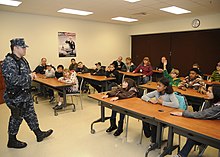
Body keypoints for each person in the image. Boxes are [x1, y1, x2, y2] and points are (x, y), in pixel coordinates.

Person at [2, 38, 53, 149]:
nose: (25, 49)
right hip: (16, 96)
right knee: (16, 118)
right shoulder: (8, 62)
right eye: (23, 47)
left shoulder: (23, 60)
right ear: (15, 48)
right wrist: (29, 77)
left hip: (26, 94)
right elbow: (13, 80)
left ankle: (38, 134)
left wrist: (32, 74)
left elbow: (27, 72)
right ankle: (12, 140)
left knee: (31, 114)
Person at [171, 84, 220, 157]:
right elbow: (203, 114)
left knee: (194, 135)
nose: (207, 93)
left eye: (209, 92)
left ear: (216, 94)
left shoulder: (218, 107)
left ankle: (183, 154)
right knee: (193, 134)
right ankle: (182, 154)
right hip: (206, 126)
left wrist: (183, 113)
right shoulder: (209, 101)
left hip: (215, 132)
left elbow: (202, 114)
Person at [141, 77, 179, 148]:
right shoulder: (156, 92)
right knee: (145, 118)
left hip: (166, 115)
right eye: (157, 85)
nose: (157, 87)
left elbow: (176, 104)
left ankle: (154, 141)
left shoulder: (170, 94)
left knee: (154, 122)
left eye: (160, 85)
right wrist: (150, 100)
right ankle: (151, 135)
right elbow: (143, 96)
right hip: (157, 112)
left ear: (165, 87)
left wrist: (163, 102)